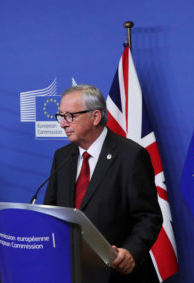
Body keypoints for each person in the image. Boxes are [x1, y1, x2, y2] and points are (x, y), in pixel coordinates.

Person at [44, 85, 162, 283]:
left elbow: (149, 217)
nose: (63, 124)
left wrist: (130, 252)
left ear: (96, 116)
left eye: (70, 116)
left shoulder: (131, 156)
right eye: (60, 116)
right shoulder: (62, 156)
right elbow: (52, 210)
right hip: (72, 271)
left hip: (117, 274)